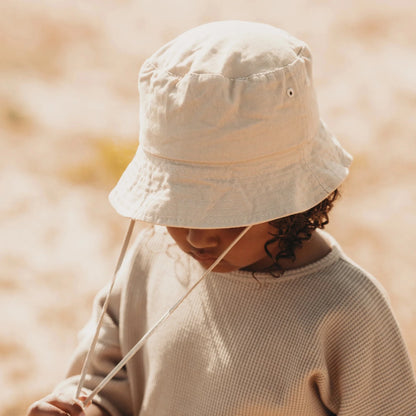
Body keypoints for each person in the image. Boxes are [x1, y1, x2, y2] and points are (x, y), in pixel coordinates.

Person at [27, 21, 416, 416]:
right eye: (180, 208)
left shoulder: (347, 313)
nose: (196, 237)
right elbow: (106, 382)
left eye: (224, 213)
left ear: (291, 200)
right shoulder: (152, 259)